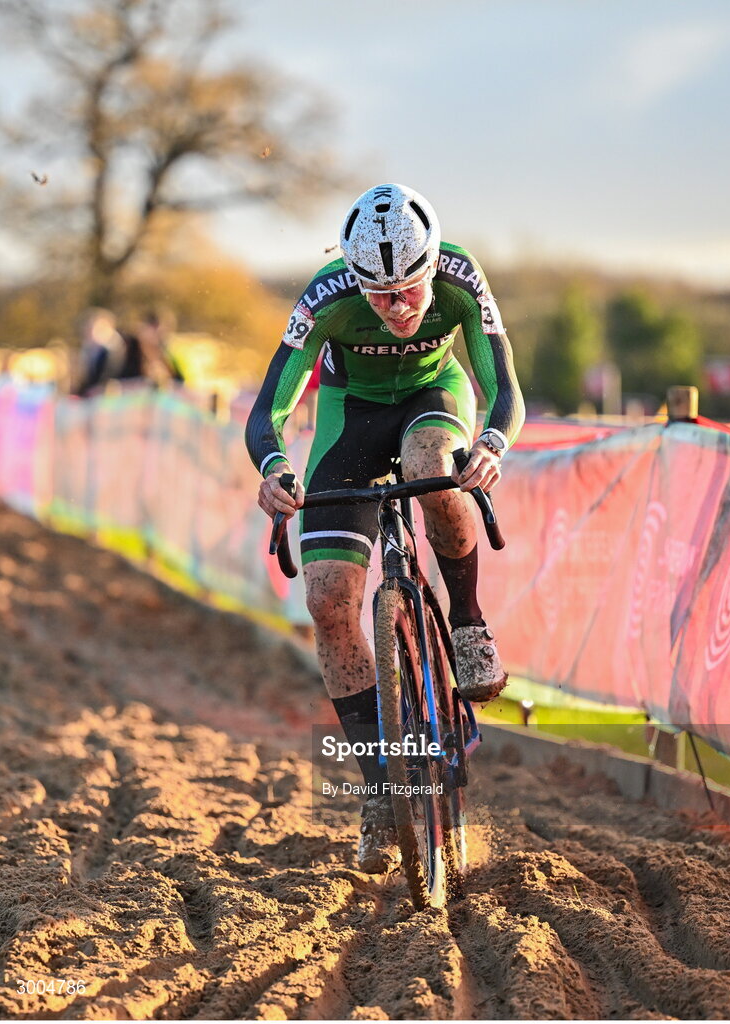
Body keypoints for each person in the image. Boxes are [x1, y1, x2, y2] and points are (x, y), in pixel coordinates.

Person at [245, 184, 525, 873]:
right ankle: (380, 791)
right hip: (351, 420)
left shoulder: (460, 275)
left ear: (431, 267)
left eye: (408, 290)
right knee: (327, 601)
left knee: (436, 462)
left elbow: (503, 386)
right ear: (355, 280)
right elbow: (268, 409)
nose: (397, 308)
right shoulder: (325, 297)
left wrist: (491, 443)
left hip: (434, 399)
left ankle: (467, 621)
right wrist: (276, 468)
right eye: (379, 295)